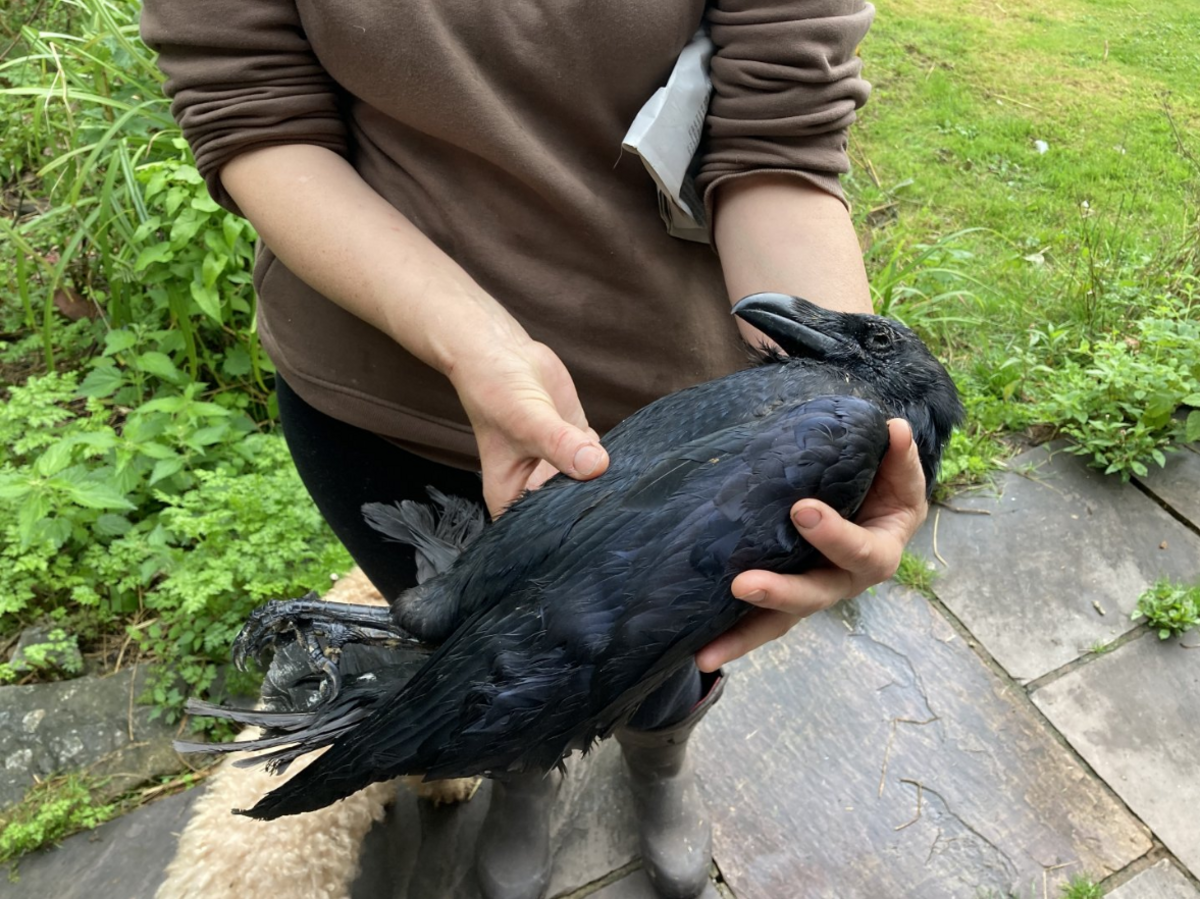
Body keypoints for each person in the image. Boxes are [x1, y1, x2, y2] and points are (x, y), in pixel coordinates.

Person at [140, 2, 927, 897]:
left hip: (681, 425)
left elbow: (778, 127)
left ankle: (658, 759)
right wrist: (473, 339)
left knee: (663, 657)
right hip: (379, 400)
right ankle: (523, 773)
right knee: (476, 660)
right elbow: (251, 106)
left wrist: (851, 416)